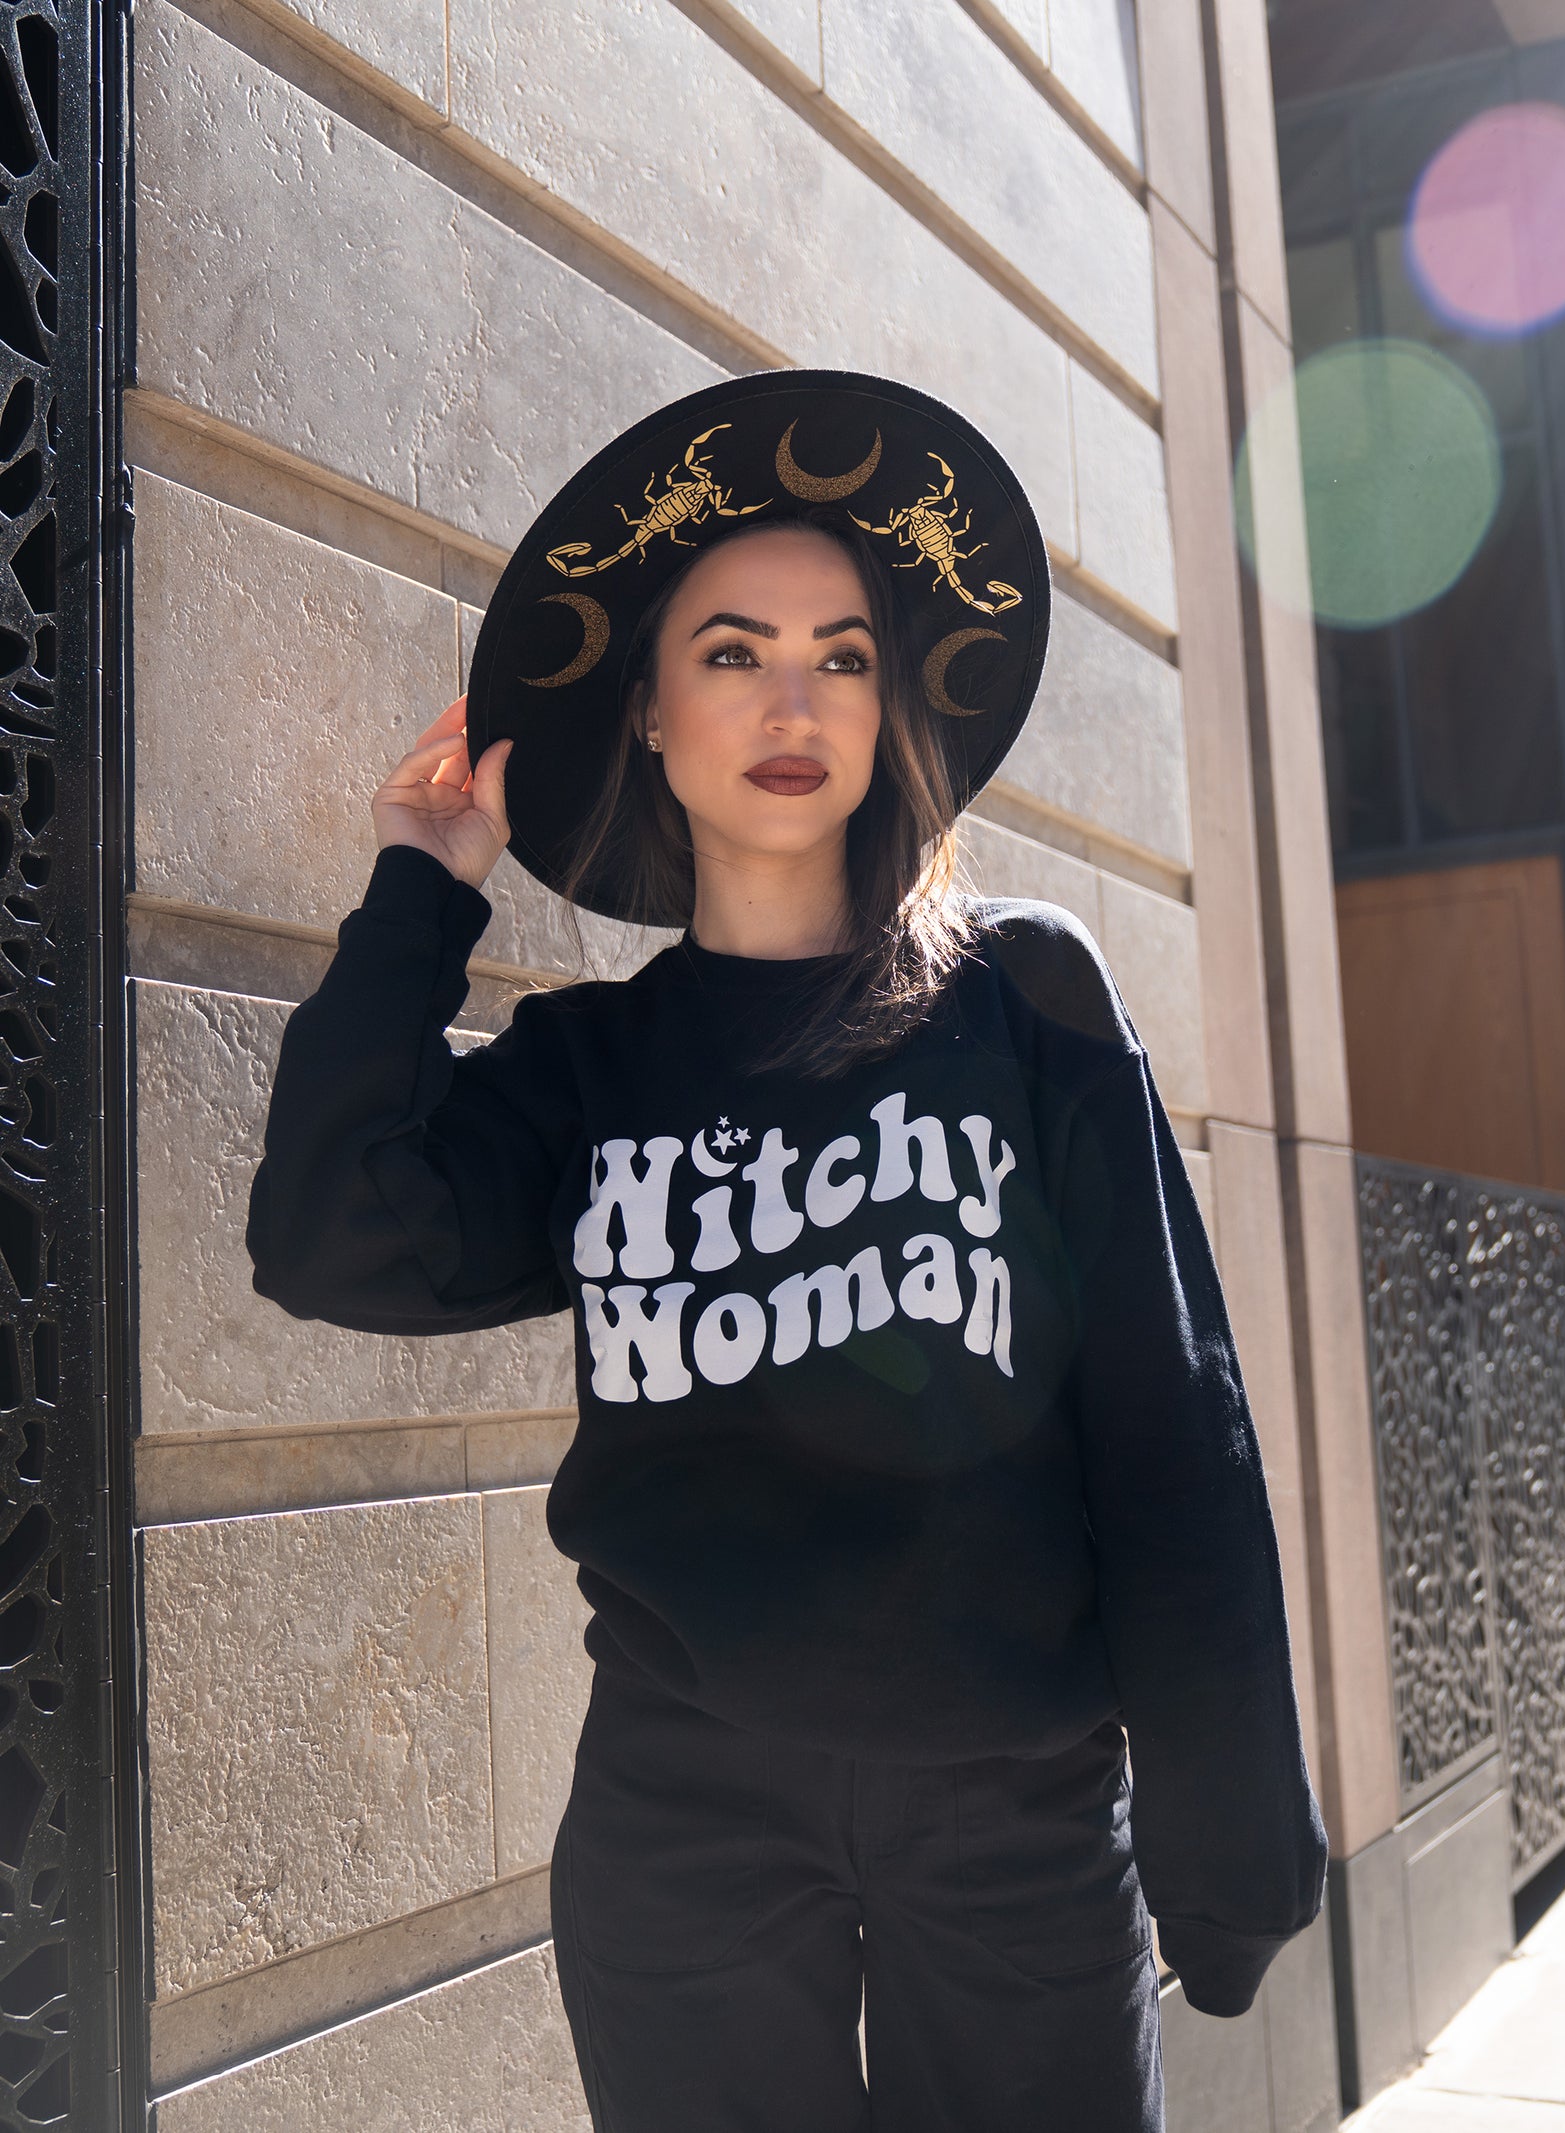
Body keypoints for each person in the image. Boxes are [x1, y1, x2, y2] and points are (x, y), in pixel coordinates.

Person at [247, 368, 1327, 2133]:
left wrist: (1229, 1844)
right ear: (651, 711)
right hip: (685, 1830)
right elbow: (327, 1234)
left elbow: (1171, 1417)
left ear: (891, 706)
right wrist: (422, 891)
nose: (792, 698)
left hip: (1015, 1820)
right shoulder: (588, 1071)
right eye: (733, 650)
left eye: (842, 653)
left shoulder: (1026, 996)